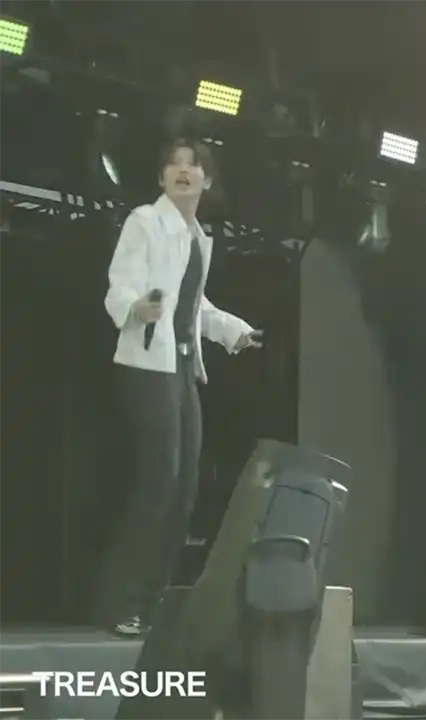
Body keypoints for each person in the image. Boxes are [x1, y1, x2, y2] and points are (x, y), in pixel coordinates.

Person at [100, 138, 263, 636]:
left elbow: (194, 306)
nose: (183, 171)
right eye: (174, 164)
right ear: (161, 177)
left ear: (207, 181)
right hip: (147, 364)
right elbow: (121, 283)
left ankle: (153, 603)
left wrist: (233, 330)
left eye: (194, 166)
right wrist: (136, 307)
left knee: (185, 488)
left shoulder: (196, 236)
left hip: (183, 367)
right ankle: (122, 603)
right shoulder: (145, 222)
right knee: (159, 482)